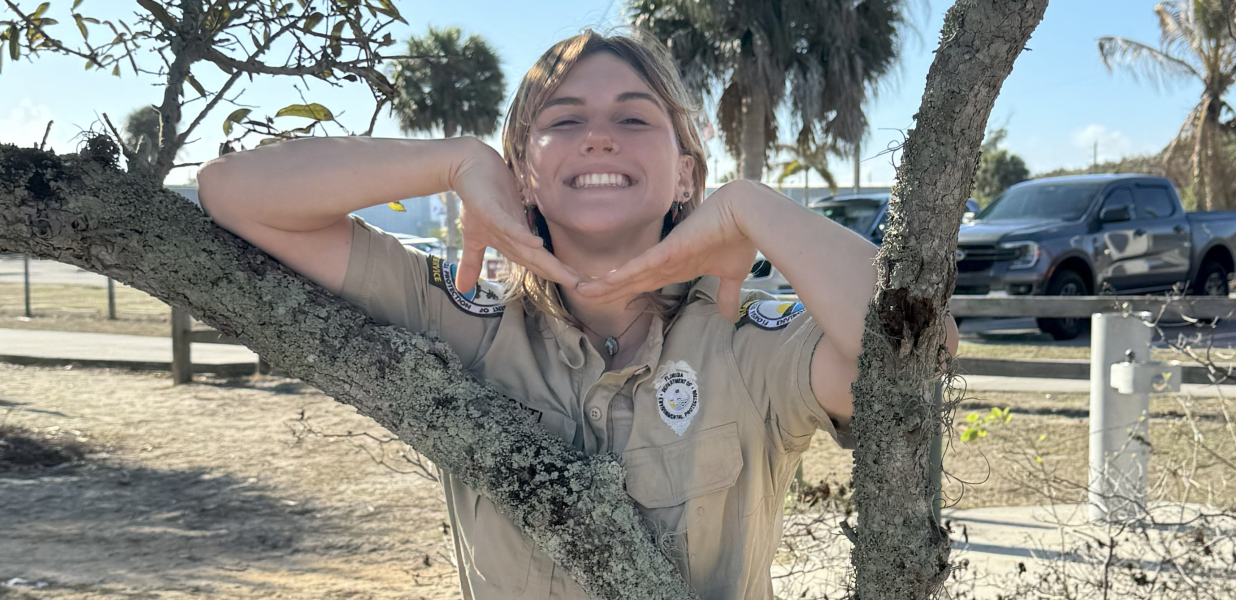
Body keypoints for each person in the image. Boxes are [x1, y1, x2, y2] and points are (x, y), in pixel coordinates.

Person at [199, 29, 956, 600]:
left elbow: (922, 348)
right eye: (563, 121)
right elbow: (233, 192)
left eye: (634, 120)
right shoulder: (464, 323)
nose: (598, 134)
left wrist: (752, 207)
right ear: (522, 174)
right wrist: (456, 161)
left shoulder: (742, 343)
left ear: (685, 172)